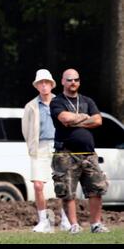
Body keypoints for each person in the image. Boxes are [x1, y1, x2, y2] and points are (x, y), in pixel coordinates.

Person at [50, 68, 109, 234]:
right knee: (67, 191)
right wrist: (86, 118)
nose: (73, 82)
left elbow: (98, 120)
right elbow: (64, 118)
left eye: (76, 79)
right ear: (62, 81)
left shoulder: (87, 101)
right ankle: (74, 226)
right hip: (66, 154)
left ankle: (96, 224)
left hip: (89, 154)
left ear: (79, 81)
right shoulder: (57, 101)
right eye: (69, 80)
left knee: (96, 189)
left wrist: (76, 120)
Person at [22, 69, 71, 233]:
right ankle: (43, 221)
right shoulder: (31, 106)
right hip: (40, 147)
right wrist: (31, 147)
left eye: (46, 82)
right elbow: (26, 130)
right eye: (40, 83)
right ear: (37, 86)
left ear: (51, 84)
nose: (44, 86)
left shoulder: (62, 102)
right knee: (37, 185)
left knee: (64, 184)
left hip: (60, 147)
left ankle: (66, 220)